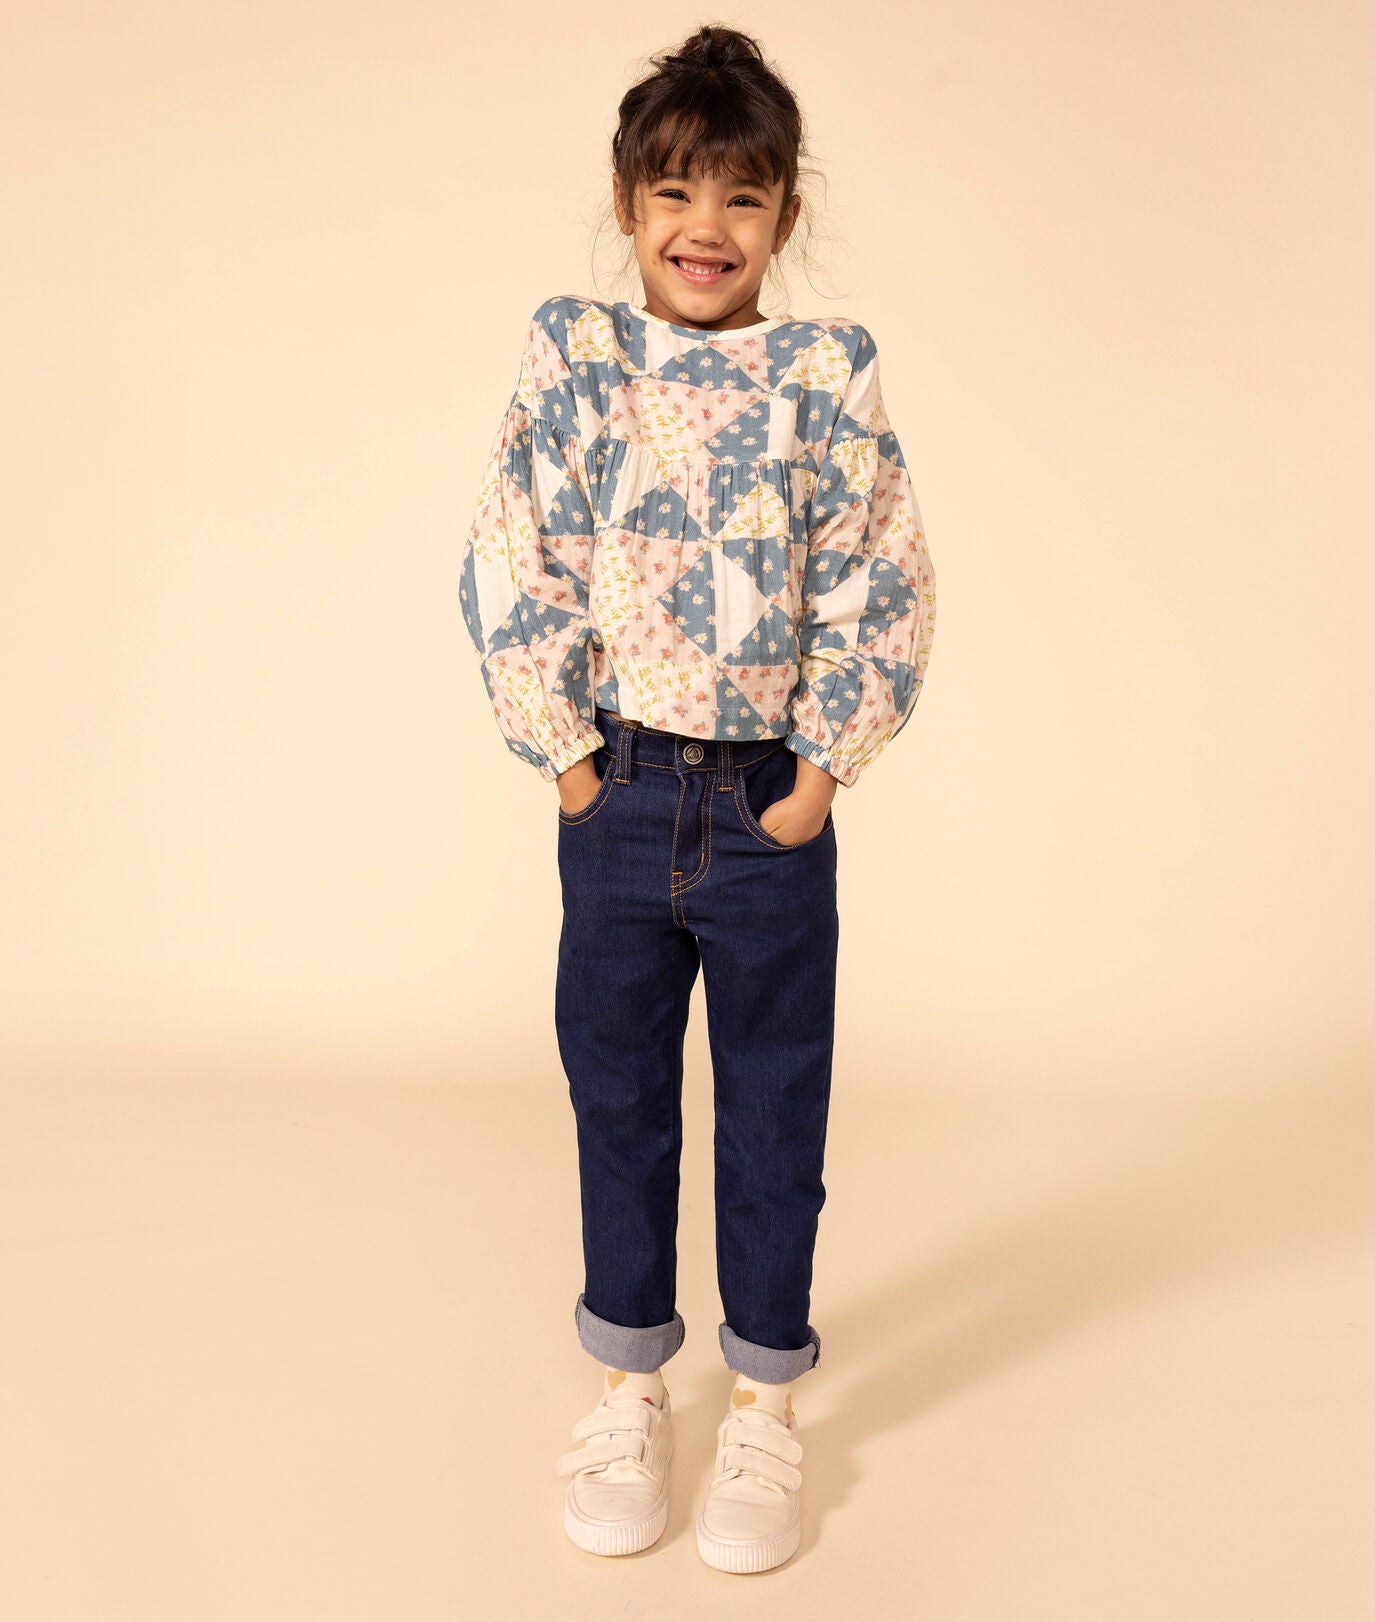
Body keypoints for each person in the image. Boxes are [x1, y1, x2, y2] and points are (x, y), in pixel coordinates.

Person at [458, 23, 936, 1572]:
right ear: (626, 204)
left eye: (740, 196)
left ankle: (765, 1403)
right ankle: (628, 1388)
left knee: (774, 1104)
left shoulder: (823, 374)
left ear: (784, 213)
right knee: (618, 1096)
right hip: (619, 792)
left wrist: (821, 771)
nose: (704, 227)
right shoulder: (577, 356)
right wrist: (567, 755)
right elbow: (514, 546)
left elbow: (878, 571)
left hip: (763, 811)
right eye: (673, 193)